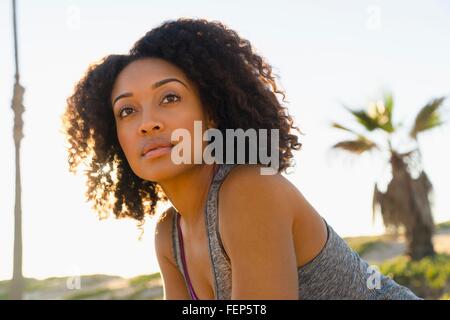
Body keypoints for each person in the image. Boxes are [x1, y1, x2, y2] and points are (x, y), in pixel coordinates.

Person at [62, 18, 421, 300]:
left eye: (169, 98)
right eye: (126, 111)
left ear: (213, 113)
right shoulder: (169, 234)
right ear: (116, 138)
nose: (147, 123)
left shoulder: (249, 190)